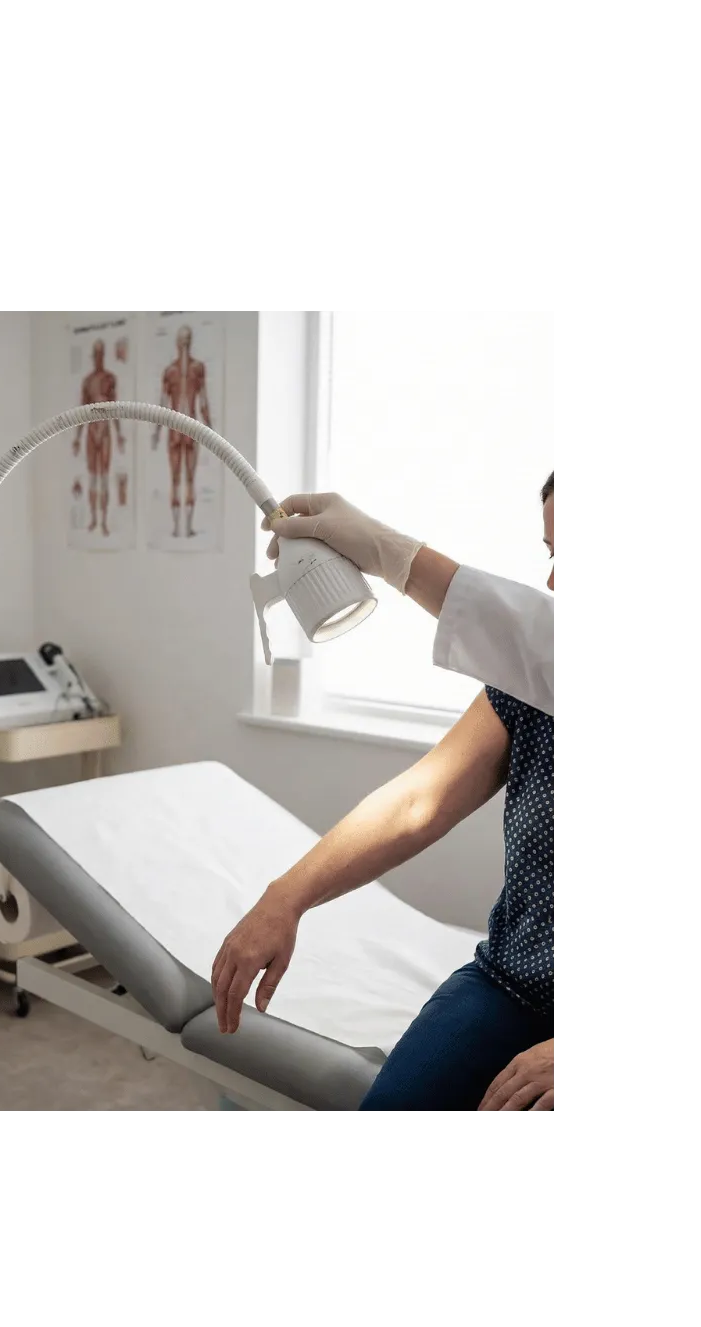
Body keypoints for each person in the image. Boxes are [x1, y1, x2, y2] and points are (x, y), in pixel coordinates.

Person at [211, 475, 556, 1111]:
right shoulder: (535, 678)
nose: (555, 584)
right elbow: (419, 802)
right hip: (516, 980)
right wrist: (285, 898)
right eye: (554, 554)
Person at [264, 474, 556, 716]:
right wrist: (387, 553)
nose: (551, 582)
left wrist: (386, 551)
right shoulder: (519, 687)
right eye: (552, 553)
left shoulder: (530, 682)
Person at [151, 325, 213, 538]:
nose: (184, 345)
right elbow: (162, 406)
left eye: (186, 340)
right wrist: (156, 432)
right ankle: (178, 526)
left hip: (190, 429)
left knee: (188, 479)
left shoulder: (196, 368)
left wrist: (211, 431)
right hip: (177, 430)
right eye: (182, 341)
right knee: (177, 478)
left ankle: (186, 526)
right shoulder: (171, 371)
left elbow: (203, 401)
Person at [72, 339, 126, 536]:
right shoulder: (87, 381)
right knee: (93, 477)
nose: (98, 357)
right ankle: (94, 519)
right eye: (95, 354)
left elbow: (114, 408)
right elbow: (81, 410)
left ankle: (103, 521)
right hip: (91, 431)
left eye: (100, 353)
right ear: (92, 356)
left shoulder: (110, 379)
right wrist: (77, 438)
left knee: (103, 477)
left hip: (105, 432)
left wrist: (119, 434)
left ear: (104, 355)